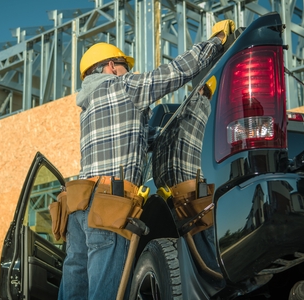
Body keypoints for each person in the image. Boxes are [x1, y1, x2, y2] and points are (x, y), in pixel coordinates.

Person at [57, 20, 235, 300]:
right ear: (111, 66)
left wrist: (194, 106)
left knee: (75, 285)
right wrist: (215, 42)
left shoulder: (89, 107)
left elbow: (148, 140)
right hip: (107, 204)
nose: (129, 72)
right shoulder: (121, 87)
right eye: (125, 66)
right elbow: (173, 73)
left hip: (79, 207)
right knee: (106, 292)